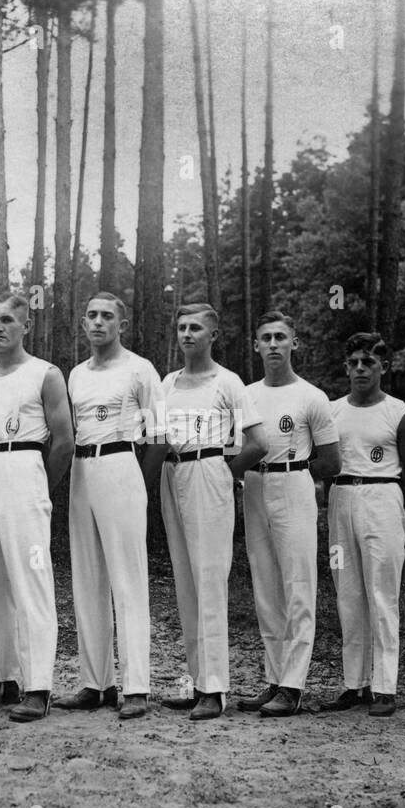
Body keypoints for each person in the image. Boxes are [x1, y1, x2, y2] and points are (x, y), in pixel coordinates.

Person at [0, 293, 74, 722]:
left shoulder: (46, 374)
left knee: (31, 582)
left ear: (25, 326)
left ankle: (38, 685)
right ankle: (1, 676)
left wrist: (39, 488)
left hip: (25, 472)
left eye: (8, 320)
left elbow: (64, 443)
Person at [55, 292, 168, 720]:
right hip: (82, 471)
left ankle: (136, 685)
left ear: (122, 323)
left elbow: (158, 437)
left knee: (128, 579)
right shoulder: (77, 374)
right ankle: (94, 682)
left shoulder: (140, 369)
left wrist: (137, 480)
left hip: (122, 463)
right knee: (87, 578)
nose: (99, 323)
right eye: (92, 316)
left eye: (108, 316)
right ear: (83, 323)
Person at [152, 303, 267, 721]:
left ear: (213, 335)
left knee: (210, 580)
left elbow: (257, 443)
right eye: (181, 327)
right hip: (172, 473)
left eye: (196, 328)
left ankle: (215, 689)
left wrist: (223, 473)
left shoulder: (228, 382)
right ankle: (198, 681)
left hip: (209, 471)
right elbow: (155, 435)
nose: (187, 334)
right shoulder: (166, 383)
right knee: (185, 581)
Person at [239, 311, 342, 718]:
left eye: (282, 336)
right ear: (256, 346)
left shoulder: (311, 396)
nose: (274, 344)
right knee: (265, 586)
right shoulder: (245, 395)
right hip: (255, 485)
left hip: (294, 483)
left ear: (294, 343)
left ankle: (294, 685)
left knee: (298, 584)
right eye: (266, 337)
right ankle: (274, 677)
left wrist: (297, 476)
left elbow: (331, 460)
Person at [322, 332, 405, 718]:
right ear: (346, 367)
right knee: (346, 593)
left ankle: (385, 685)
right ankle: (355, 684)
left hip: (383, 497)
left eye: (369, 362)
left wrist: (392, 504)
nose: (361, 369)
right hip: (341, 497)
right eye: (354, 363)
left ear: (385, 366)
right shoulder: (331, 411)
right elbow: (325, 460)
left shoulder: (400, 412)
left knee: (382, 594)